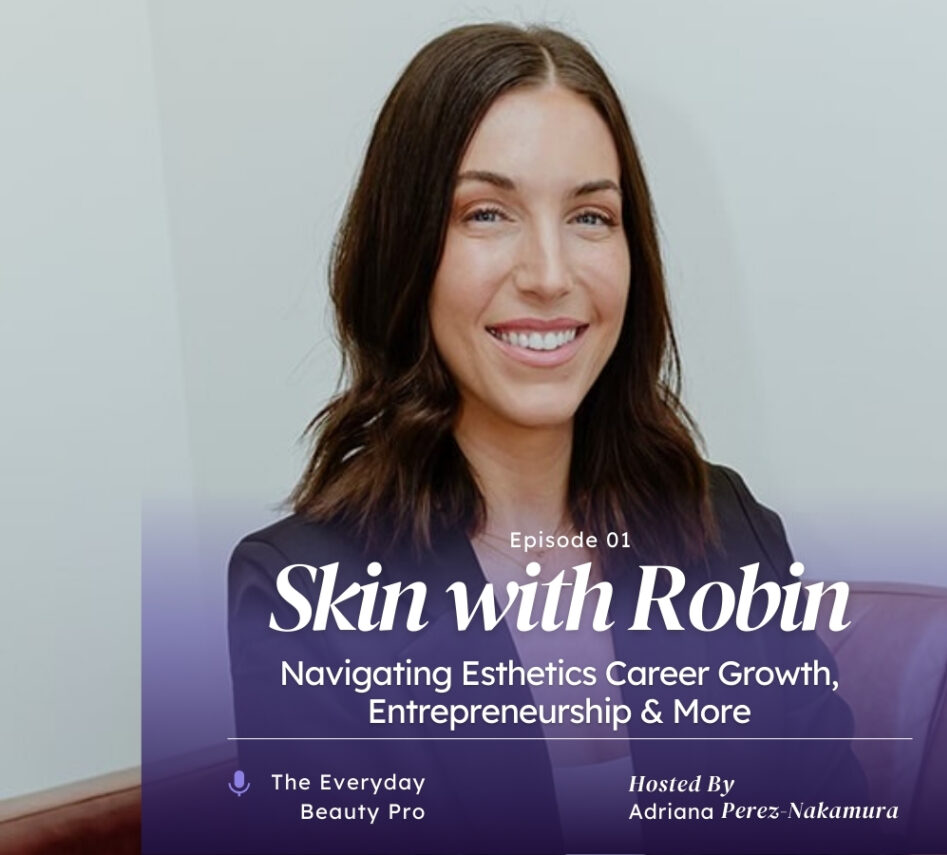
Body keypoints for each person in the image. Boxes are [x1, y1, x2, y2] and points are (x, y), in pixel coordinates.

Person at [227, 22, 866, 855]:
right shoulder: (301, 596)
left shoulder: (729, 529)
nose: (550, 273)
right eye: (487, 212)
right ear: (407, 249)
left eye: (591, 216)